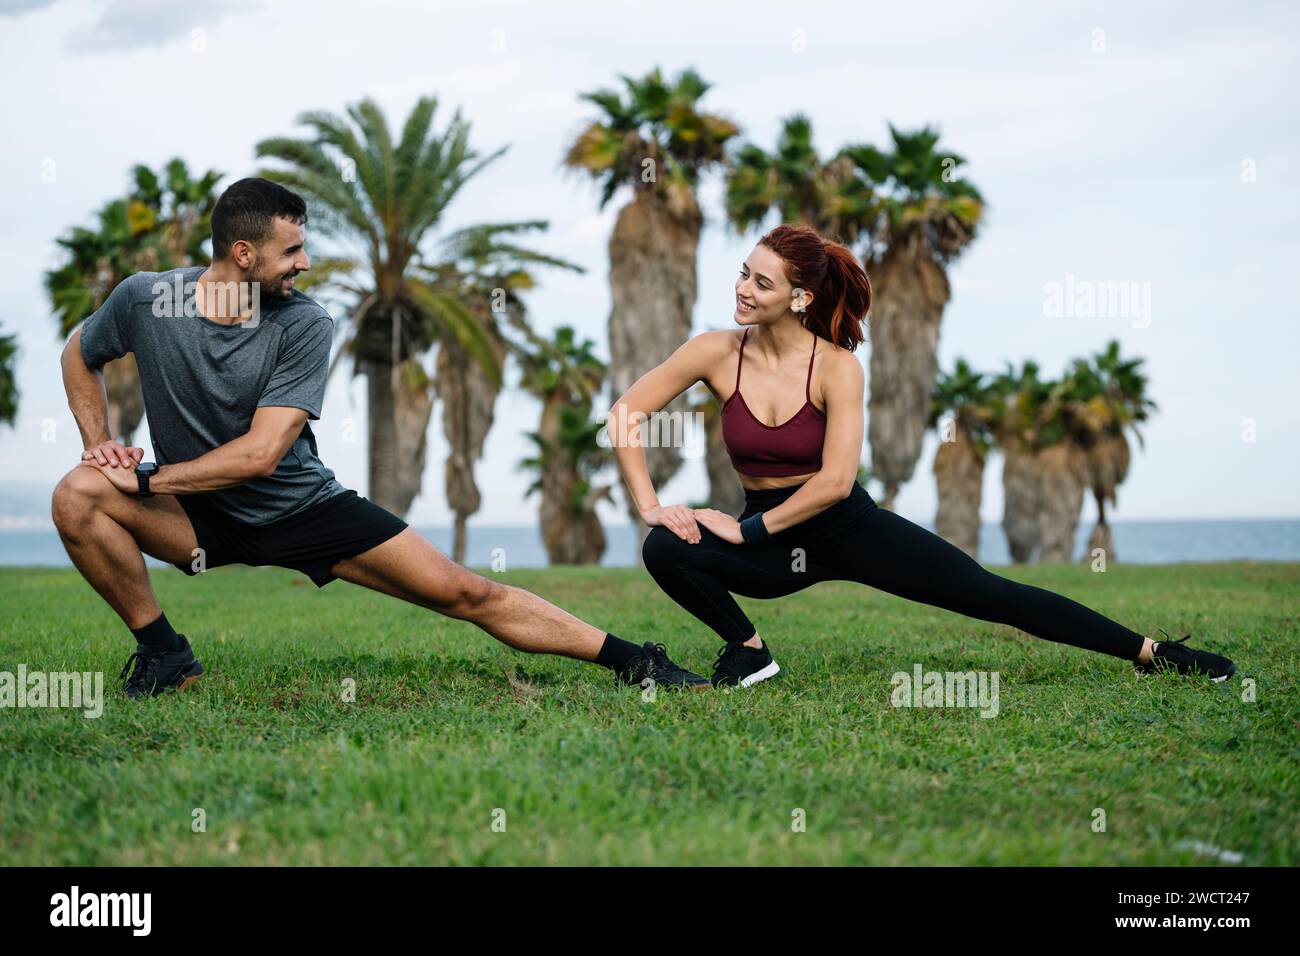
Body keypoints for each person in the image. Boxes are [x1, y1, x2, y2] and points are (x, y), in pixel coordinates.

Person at [53, 177, 708, 698]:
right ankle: (166, 654)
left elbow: (260, 454)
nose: (304, 264)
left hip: (299, 509)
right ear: (242, 254)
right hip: (198, 515)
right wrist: (99, 445)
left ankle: (634, 663)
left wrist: (147, 478)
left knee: (467, 592)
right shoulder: (145, 300)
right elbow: (80, 350)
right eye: (292, 251)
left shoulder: (302, 324)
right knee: (76, 494)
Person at [606, 223, 1236, 688]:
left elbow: (832, 482)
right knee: (664, 547)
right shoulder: (716, 351)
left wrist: (744, 532)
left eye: (761, 282)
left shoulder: (839, 369)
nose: (743, 289)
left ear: (800, 298)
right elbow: (625, 415)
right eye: (744, 272)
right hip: (772, 541)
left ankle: (1155, 653)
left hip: (844, 526)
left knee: (990, 593)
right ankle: (749, 650)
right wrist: (653, 506)